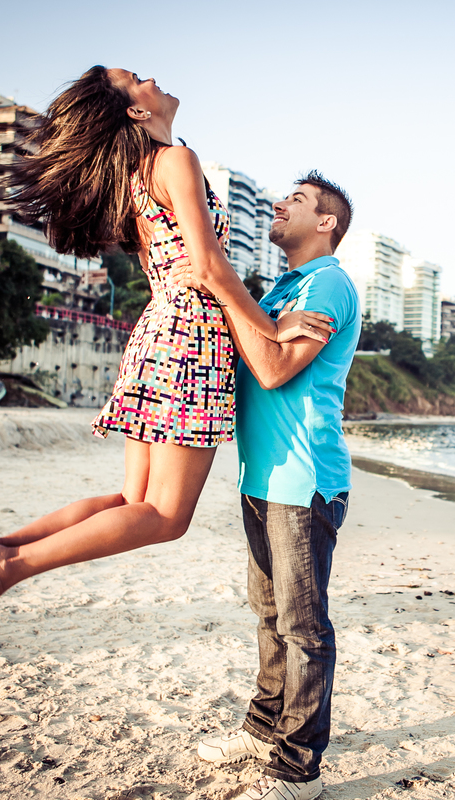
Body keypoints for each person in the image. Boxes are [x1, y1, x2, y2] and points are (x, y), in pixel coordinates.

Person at [0, 66, 333, 645]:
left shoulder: (136, 175)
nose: (153, 79)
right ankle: (10, 566)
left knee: (131, 501)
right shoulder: (175, 162)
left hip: (158, 334)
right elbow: (208, 267)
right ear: (136, 112)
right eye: (138, 79)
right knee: (164, 516)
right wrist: (273, 325)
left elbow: (188, 264)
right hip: (193, 339)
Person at [179, 172, 361, 800]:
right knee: (269, 615)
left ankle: (297, 768)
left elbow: (275, 367)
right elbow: (246, 346)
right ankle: (263, 731)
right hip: (259, 475)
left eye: (299, 201)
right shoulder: (285, 286)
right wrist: (251, 309)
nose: (281, 205)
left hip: (304, 479)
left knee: (304, 628)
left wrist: (227, 286)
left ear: (327, 223)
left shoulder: (329, 283)